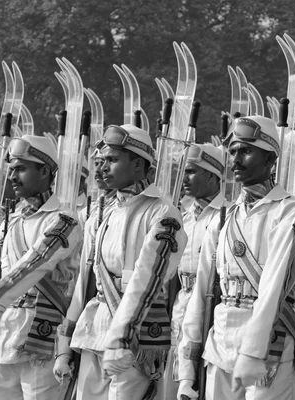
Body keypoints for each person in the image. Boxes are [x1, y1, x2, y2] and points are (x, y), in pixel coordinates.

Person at [176, 115, 295, 400]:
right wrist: (187, 366)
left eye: (246, 151)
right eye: (233, 152)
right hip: (220, 345)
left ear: (269, 160)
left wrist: (253, 351)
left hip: (267, 347)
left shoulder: (290, 213)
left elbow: (275, 289)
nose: (236, 160)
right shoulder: (225, 217)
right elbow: (201, 292)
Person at [56, 124, 187, 400]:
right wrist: (64, 345)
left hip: (135, 337)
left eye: (113, 160)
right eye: (102, 160)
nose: (103, 168)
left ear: (139, 165)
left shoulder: (163, 213)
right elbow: (85, 283)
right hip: (93, 329)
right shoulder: (101, 214)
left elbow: (147, 280)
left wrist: (122, 336)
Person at [0, 134, 82, 400]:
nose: (12, 177)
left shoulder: (64, 221)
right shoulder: (9, 224)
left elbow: (36, 261)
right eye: (11, 170)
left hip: (41, 341)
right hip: (2, 337)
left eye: (20, 169)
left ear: (44, 171)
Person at [160, 143, 228, 399]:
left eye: (191, 171)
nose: (184, 178)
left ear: (212, 174)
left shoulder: (226, 216)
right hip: (181, 306)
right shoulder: (183, 217)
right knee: (173, 383)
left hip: (210, 307)